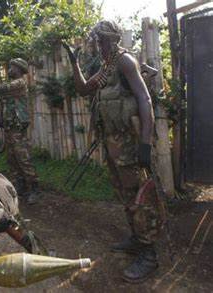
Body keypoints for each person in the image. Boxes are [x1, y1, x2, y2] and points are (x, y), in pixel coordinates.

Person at [63, 20, 161, 283]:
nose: (94, 44)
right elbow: (84, 89)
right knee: (123, 193)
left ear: (107, 39)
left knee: (138, 197)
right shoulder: (106, 66)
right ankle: (137, 239)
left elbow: (145, 99)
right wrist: (74, 64)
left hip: (128, 143)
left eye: (97, 39)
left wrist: (145, 144)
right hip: (112, 142)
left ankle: (149, 254)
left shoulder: (125, 62)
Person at [0, 60, 41, 205]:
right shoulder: (15, 84)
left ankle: (34, 189)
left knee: (23, 158)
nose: (9, 69)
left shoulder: (19, 83)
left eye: (12, 67)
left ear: (18, 69)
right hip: (10, 128)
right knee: (12, 159)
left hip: (17, 129)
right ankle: (21, 187)